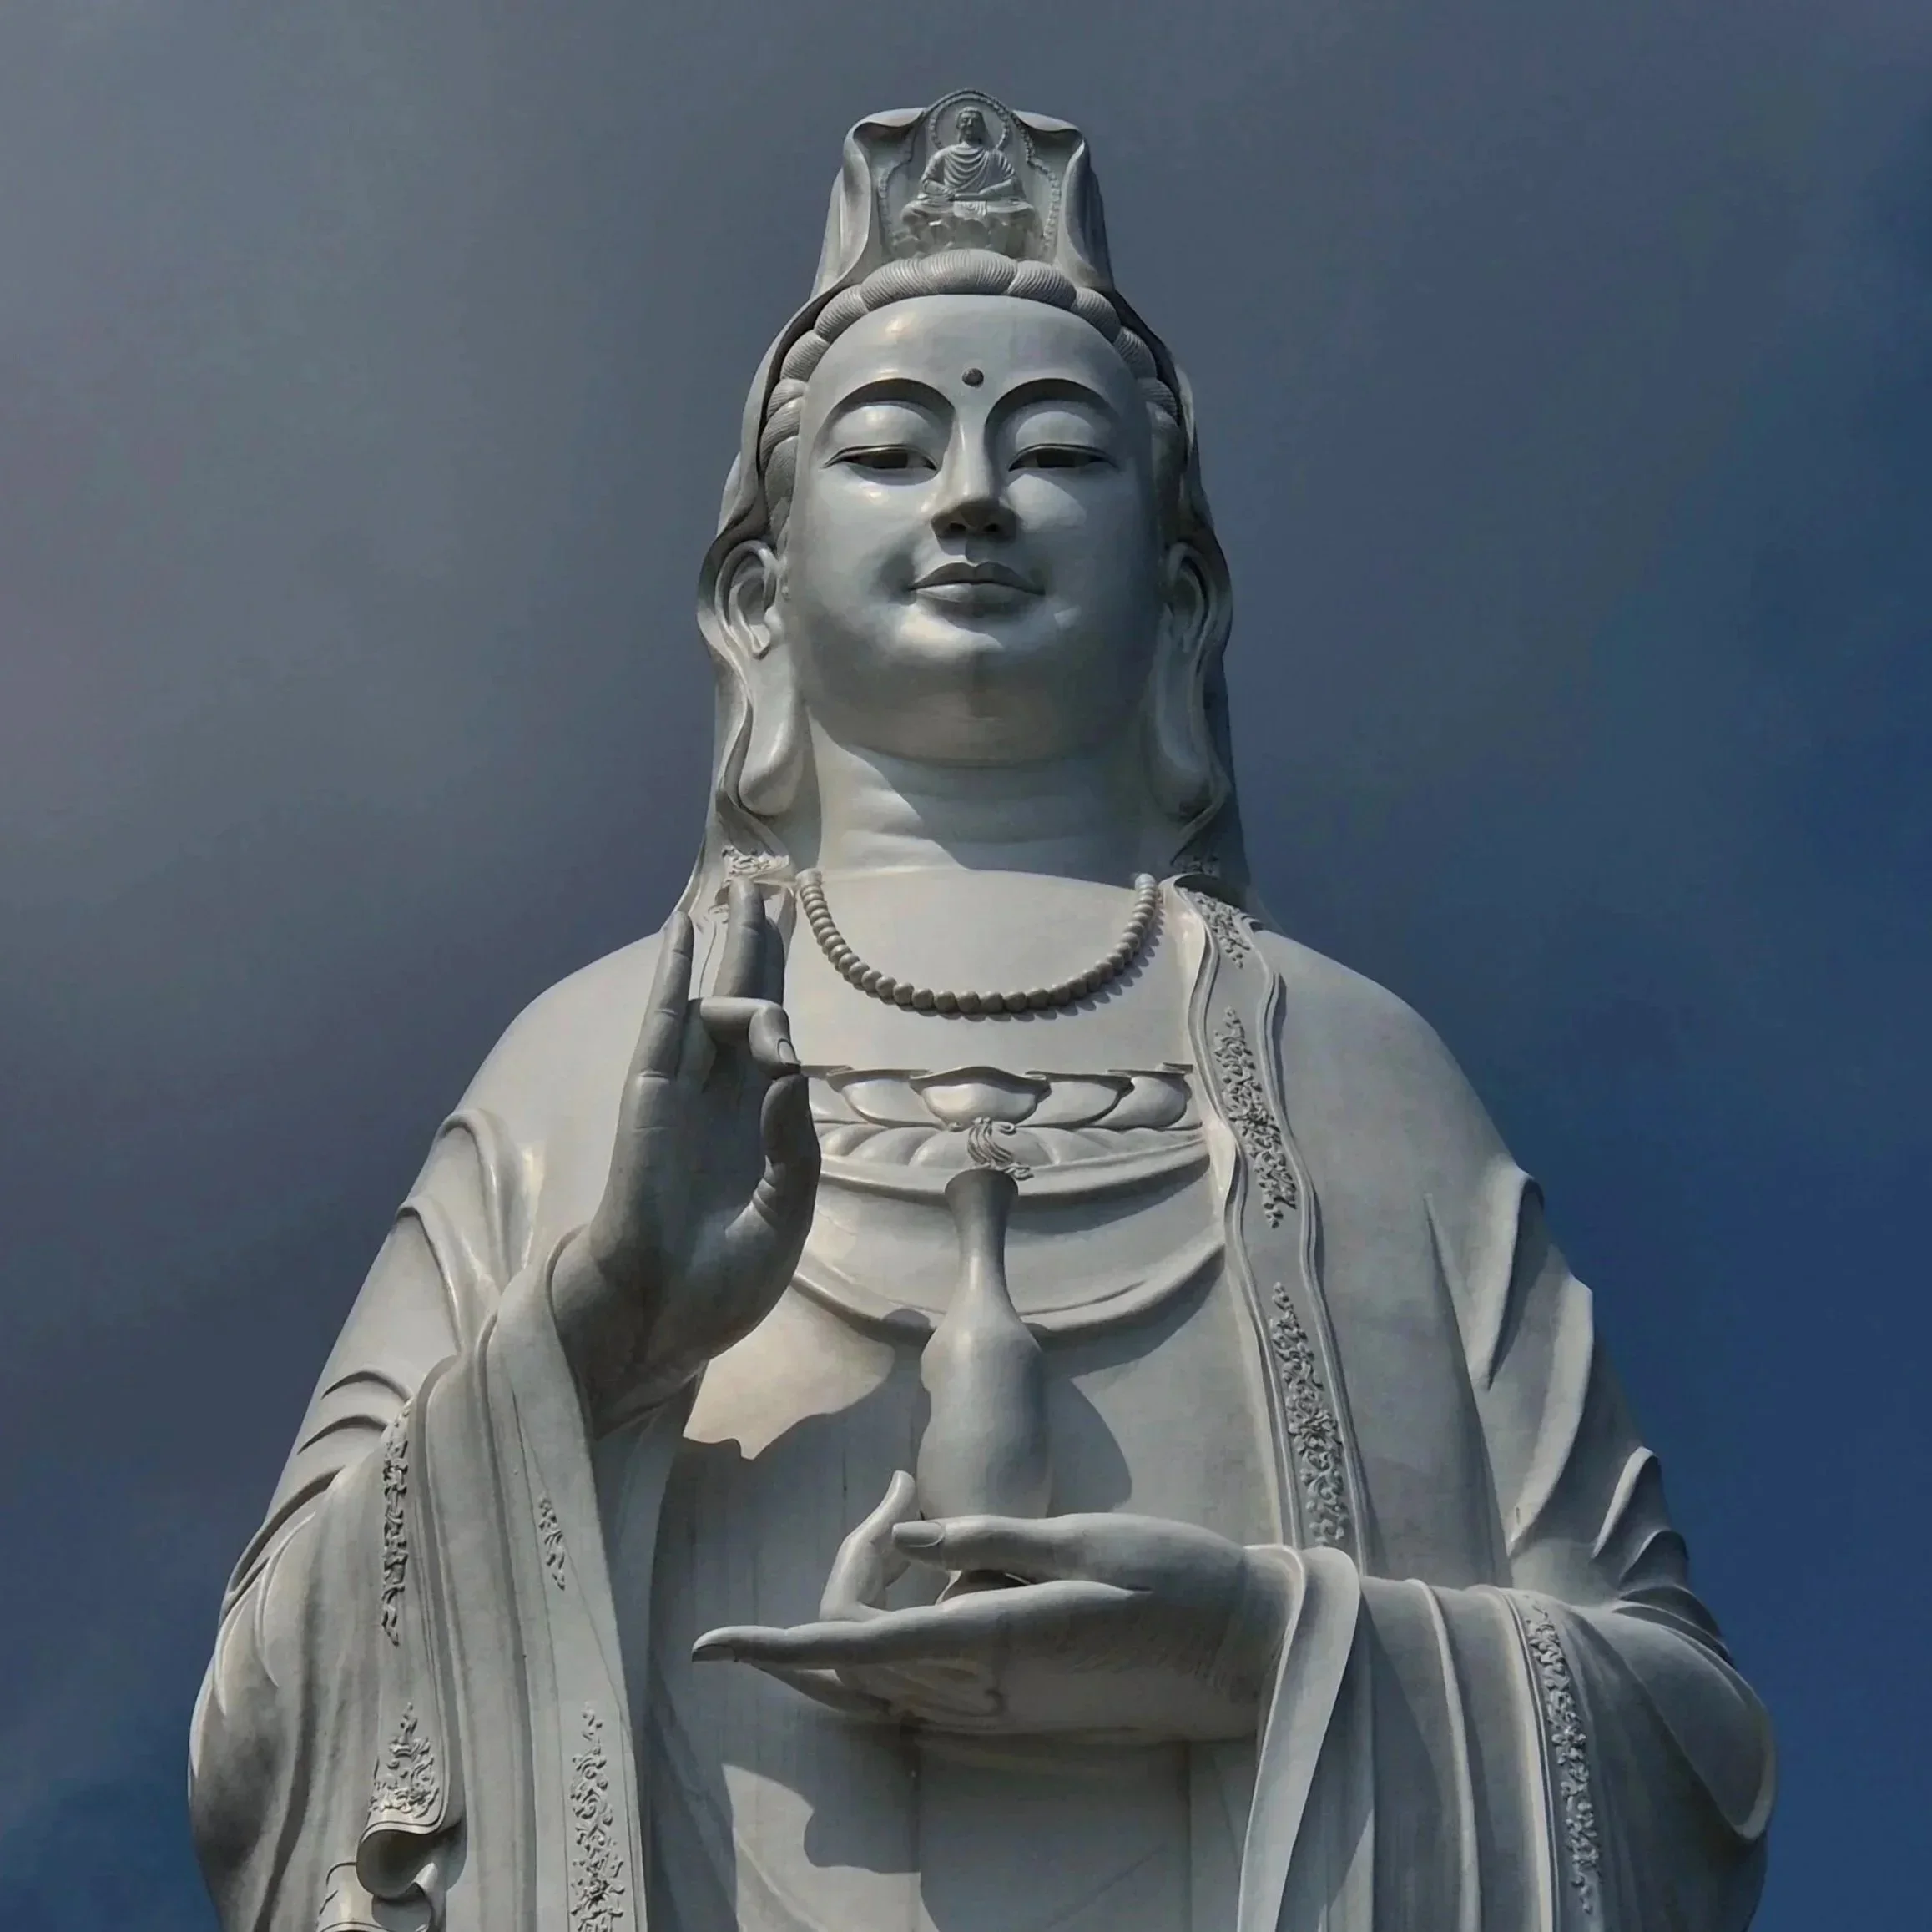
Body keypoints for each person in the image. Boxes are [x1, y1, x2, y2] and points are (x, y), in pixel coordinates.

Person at [191, 94, 1773, 1932]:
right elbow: (264, 1729)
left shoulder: (1357, 1069)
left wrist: (1264, 1650)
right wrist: (600, 1324)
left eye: (1057, 453)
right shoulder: (606, 1049)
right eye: (888, 448)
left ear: (1178, 595)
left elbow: (1689, 1748)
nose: (971, 502)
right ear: (755, 593)